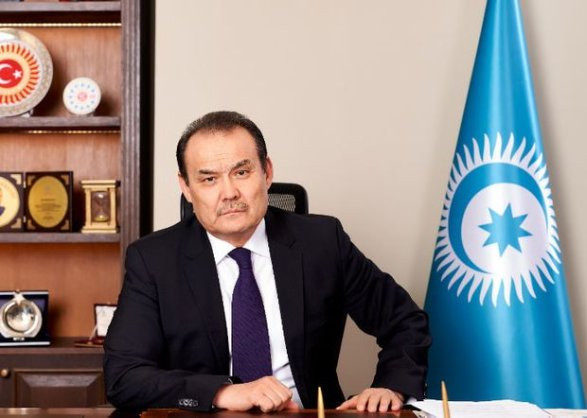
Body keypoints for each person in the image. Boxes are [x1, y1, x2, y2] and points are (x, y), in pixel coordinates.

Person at [104, 111, 431, 413]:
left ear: (267, 172)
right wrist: (222, 393)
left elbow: (404, 321)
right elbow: (124, 376)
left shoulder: (322, 242)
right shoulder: (153, 260)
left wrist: (392, 386)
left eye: (241, 172)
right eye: (209, 179)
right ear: (186, 188)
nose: (229, 193)